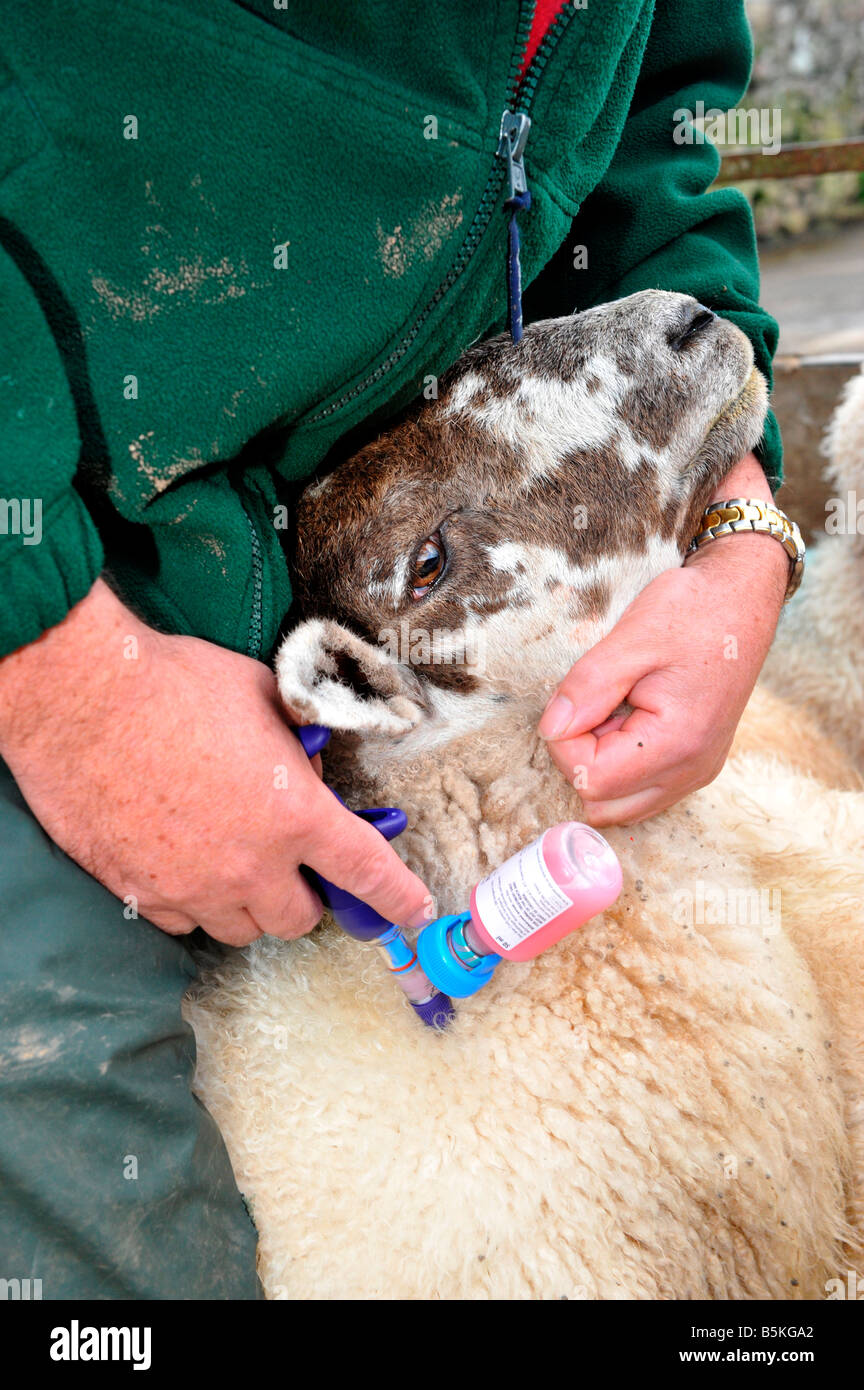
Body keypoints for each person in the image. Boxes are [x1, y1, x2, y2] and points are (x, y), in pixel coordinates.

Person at [0, 0, 793, 1298]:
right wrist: (63, 675)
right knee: (87, 1167)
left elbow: (653, 125)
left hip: (409, 530)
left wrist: (741, 529)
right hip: (63, 571)